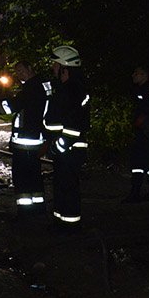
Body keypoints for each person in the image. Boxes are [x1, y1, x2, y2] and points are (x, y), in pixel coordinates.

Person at [44, 45, 90, 230]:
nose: (53, 68)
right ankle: (60, 221)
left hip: (70, 148)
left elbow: (74, 125)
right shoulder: (65, 88)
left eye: (56, 65)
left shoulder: (73, 90)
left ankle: (70, 225)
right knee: (61, 185)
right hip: (63, 147)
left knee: (68, 187)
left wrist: (60, 145)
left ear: (65, 68)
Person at [2, 60, 48, 216]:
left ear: (30, 68)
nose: (19, 74)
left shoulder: (31, 87)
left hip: (25, 140)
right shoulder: (42, 86)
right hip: (34, 139)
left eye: (21, 70)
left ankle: (25, 211)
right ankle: (38, 208)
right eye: (17, 72)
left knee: (22, 176)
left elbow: (15, 105)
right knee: (34, 174)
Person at [123, 65, 149, 203]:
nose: (134, 75)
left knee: (144, 163)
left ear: (145, 75)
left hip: (148, 133)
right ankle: (148, 193)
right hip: (144, 132)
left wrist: (143, 119)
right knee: (145, 164)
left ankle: (145, 193)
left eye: (137, 73)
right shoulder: (139, 90)